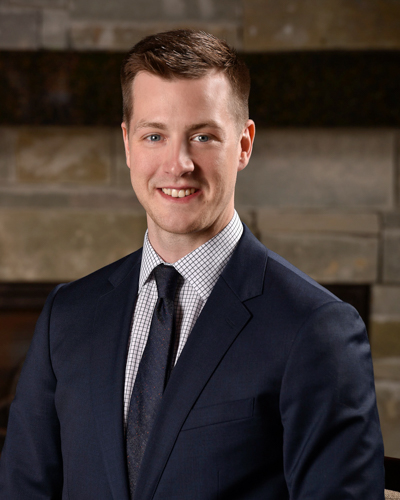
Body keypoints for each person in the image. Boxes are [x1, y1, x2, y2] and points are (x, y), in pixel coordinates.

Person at [0, 29, 384, 499]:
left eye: (202, 136)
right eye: (154, 135)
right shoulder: (68, 315)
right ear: (127, 144)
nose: (177, 163)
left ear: (243, 145)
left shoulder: (316, 329)